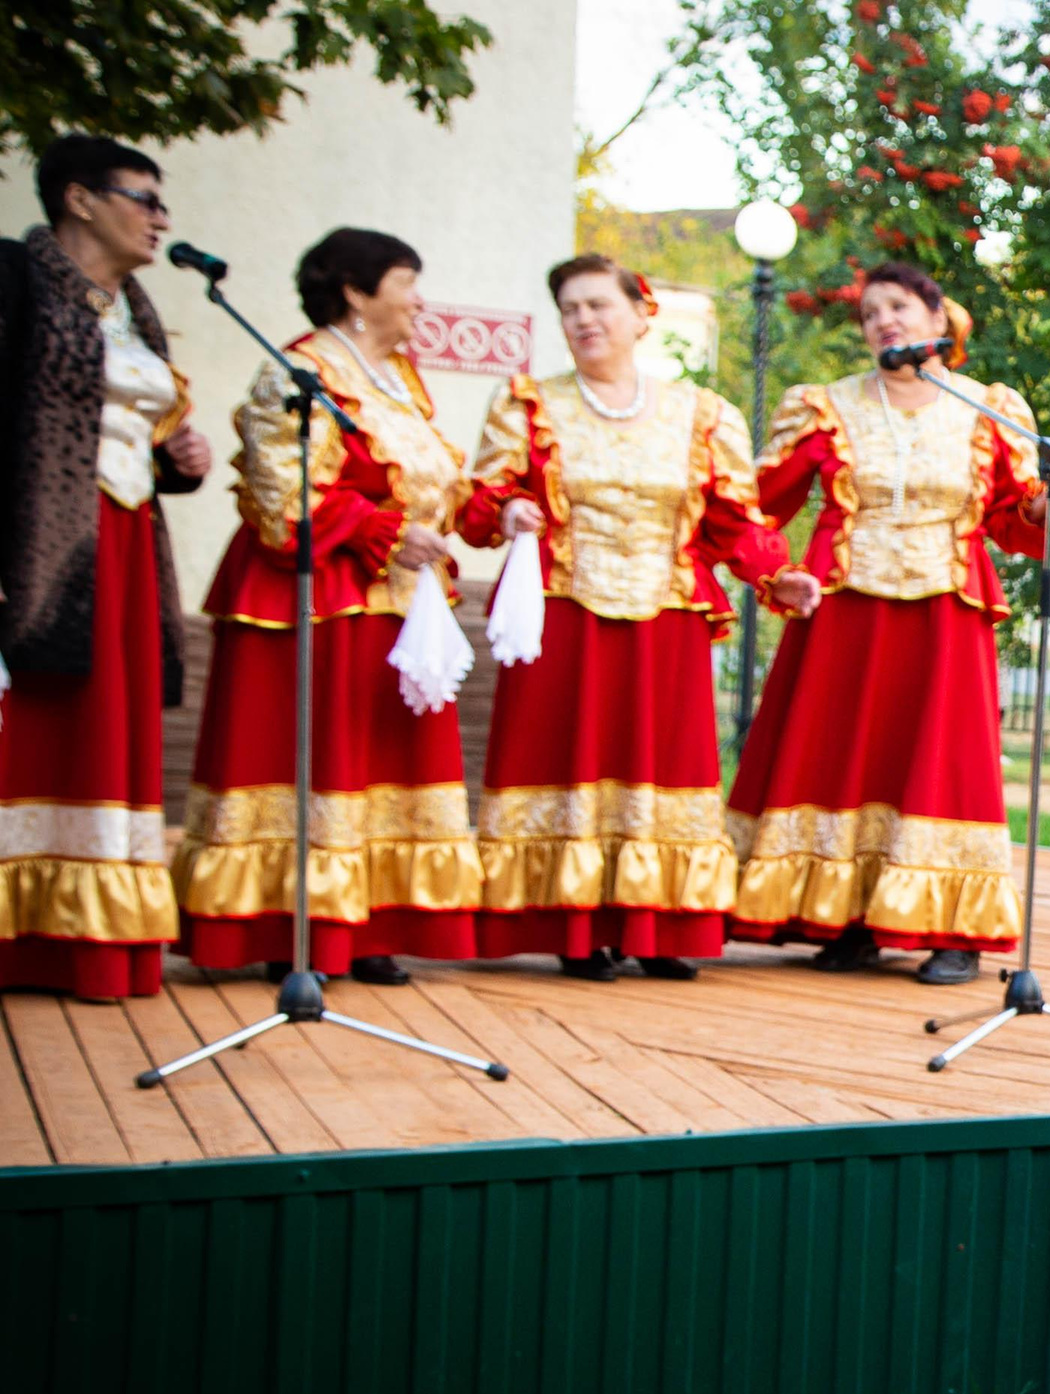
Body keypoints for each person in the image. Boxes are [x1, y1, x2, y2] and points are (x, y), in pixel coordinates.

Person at [729, 262, 1050, 985]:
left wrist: (1049, 502)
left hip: (945, 610)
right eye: (869, 314)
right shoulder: (824, 407)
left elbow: (1008, 514)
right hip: (843, 608)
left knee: (943, 764)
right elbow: (750, 505)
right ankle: (846, 918)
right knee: (840, 755)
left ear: (938, 317)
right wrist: (777, 573)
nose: (883, 321)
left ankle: (952, 930)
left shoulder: (987, 409)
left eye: (898, 306)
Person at [457, 255, 812, 981]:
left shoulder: (702, 413)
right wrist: (508, 508)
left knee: (663, 773)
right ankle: (578, 928)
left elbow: (732, 519)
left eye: (598, 305)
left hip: (667, 616)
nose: (584, 319)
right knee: (570, 765)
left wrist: (777, 575)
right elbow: (478, 500)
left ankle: (659, 929)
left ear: (641, 314)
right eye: (569, 309)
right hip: (564, 614)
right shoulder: (527, 401)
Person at [171, 228, 483, 983]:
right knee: (317, 759)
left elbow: (433, 479)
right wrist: (384, 530)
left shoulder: (400, 378)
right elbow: (283, 500)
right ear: (355, 290)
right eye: (406, 281)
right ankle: (292, 926)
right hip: (318, 598)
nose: (418, 299)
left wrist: (459, 520)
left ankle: (367, 922)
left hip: (394, 598)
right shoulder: (297, 370)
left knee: (379, 766)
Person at [0, 136, 212, 1000]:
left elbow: (127, 426)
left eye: (164, 203)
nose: (160, 217)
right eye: (144, 197)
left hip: (123, 545)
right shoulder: (17, 281)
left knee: (108, 734)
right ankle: (24, 938)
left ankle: (95, 937)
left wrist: (180, 459)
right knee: (42, 730)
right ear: (80, 200)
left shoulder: (137, 307)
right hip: (42, 540)